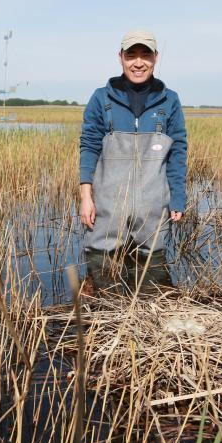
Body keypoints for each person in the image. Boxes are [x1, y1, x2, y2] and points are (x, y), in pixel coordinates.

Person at [79, 30, 187, 294]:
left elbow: (178, 152)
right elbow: (89, 146)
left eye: (145, 55)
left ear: (155, 57)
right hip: (107, 207)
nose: (138, 62)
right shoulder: (101, 98)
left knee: (152, 285)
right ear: (120, 57)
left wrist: (177, 197)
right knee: (103, 277)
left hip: (152, 209)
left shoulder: (170, 100)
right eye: (131, 55)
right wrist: (86, 197)